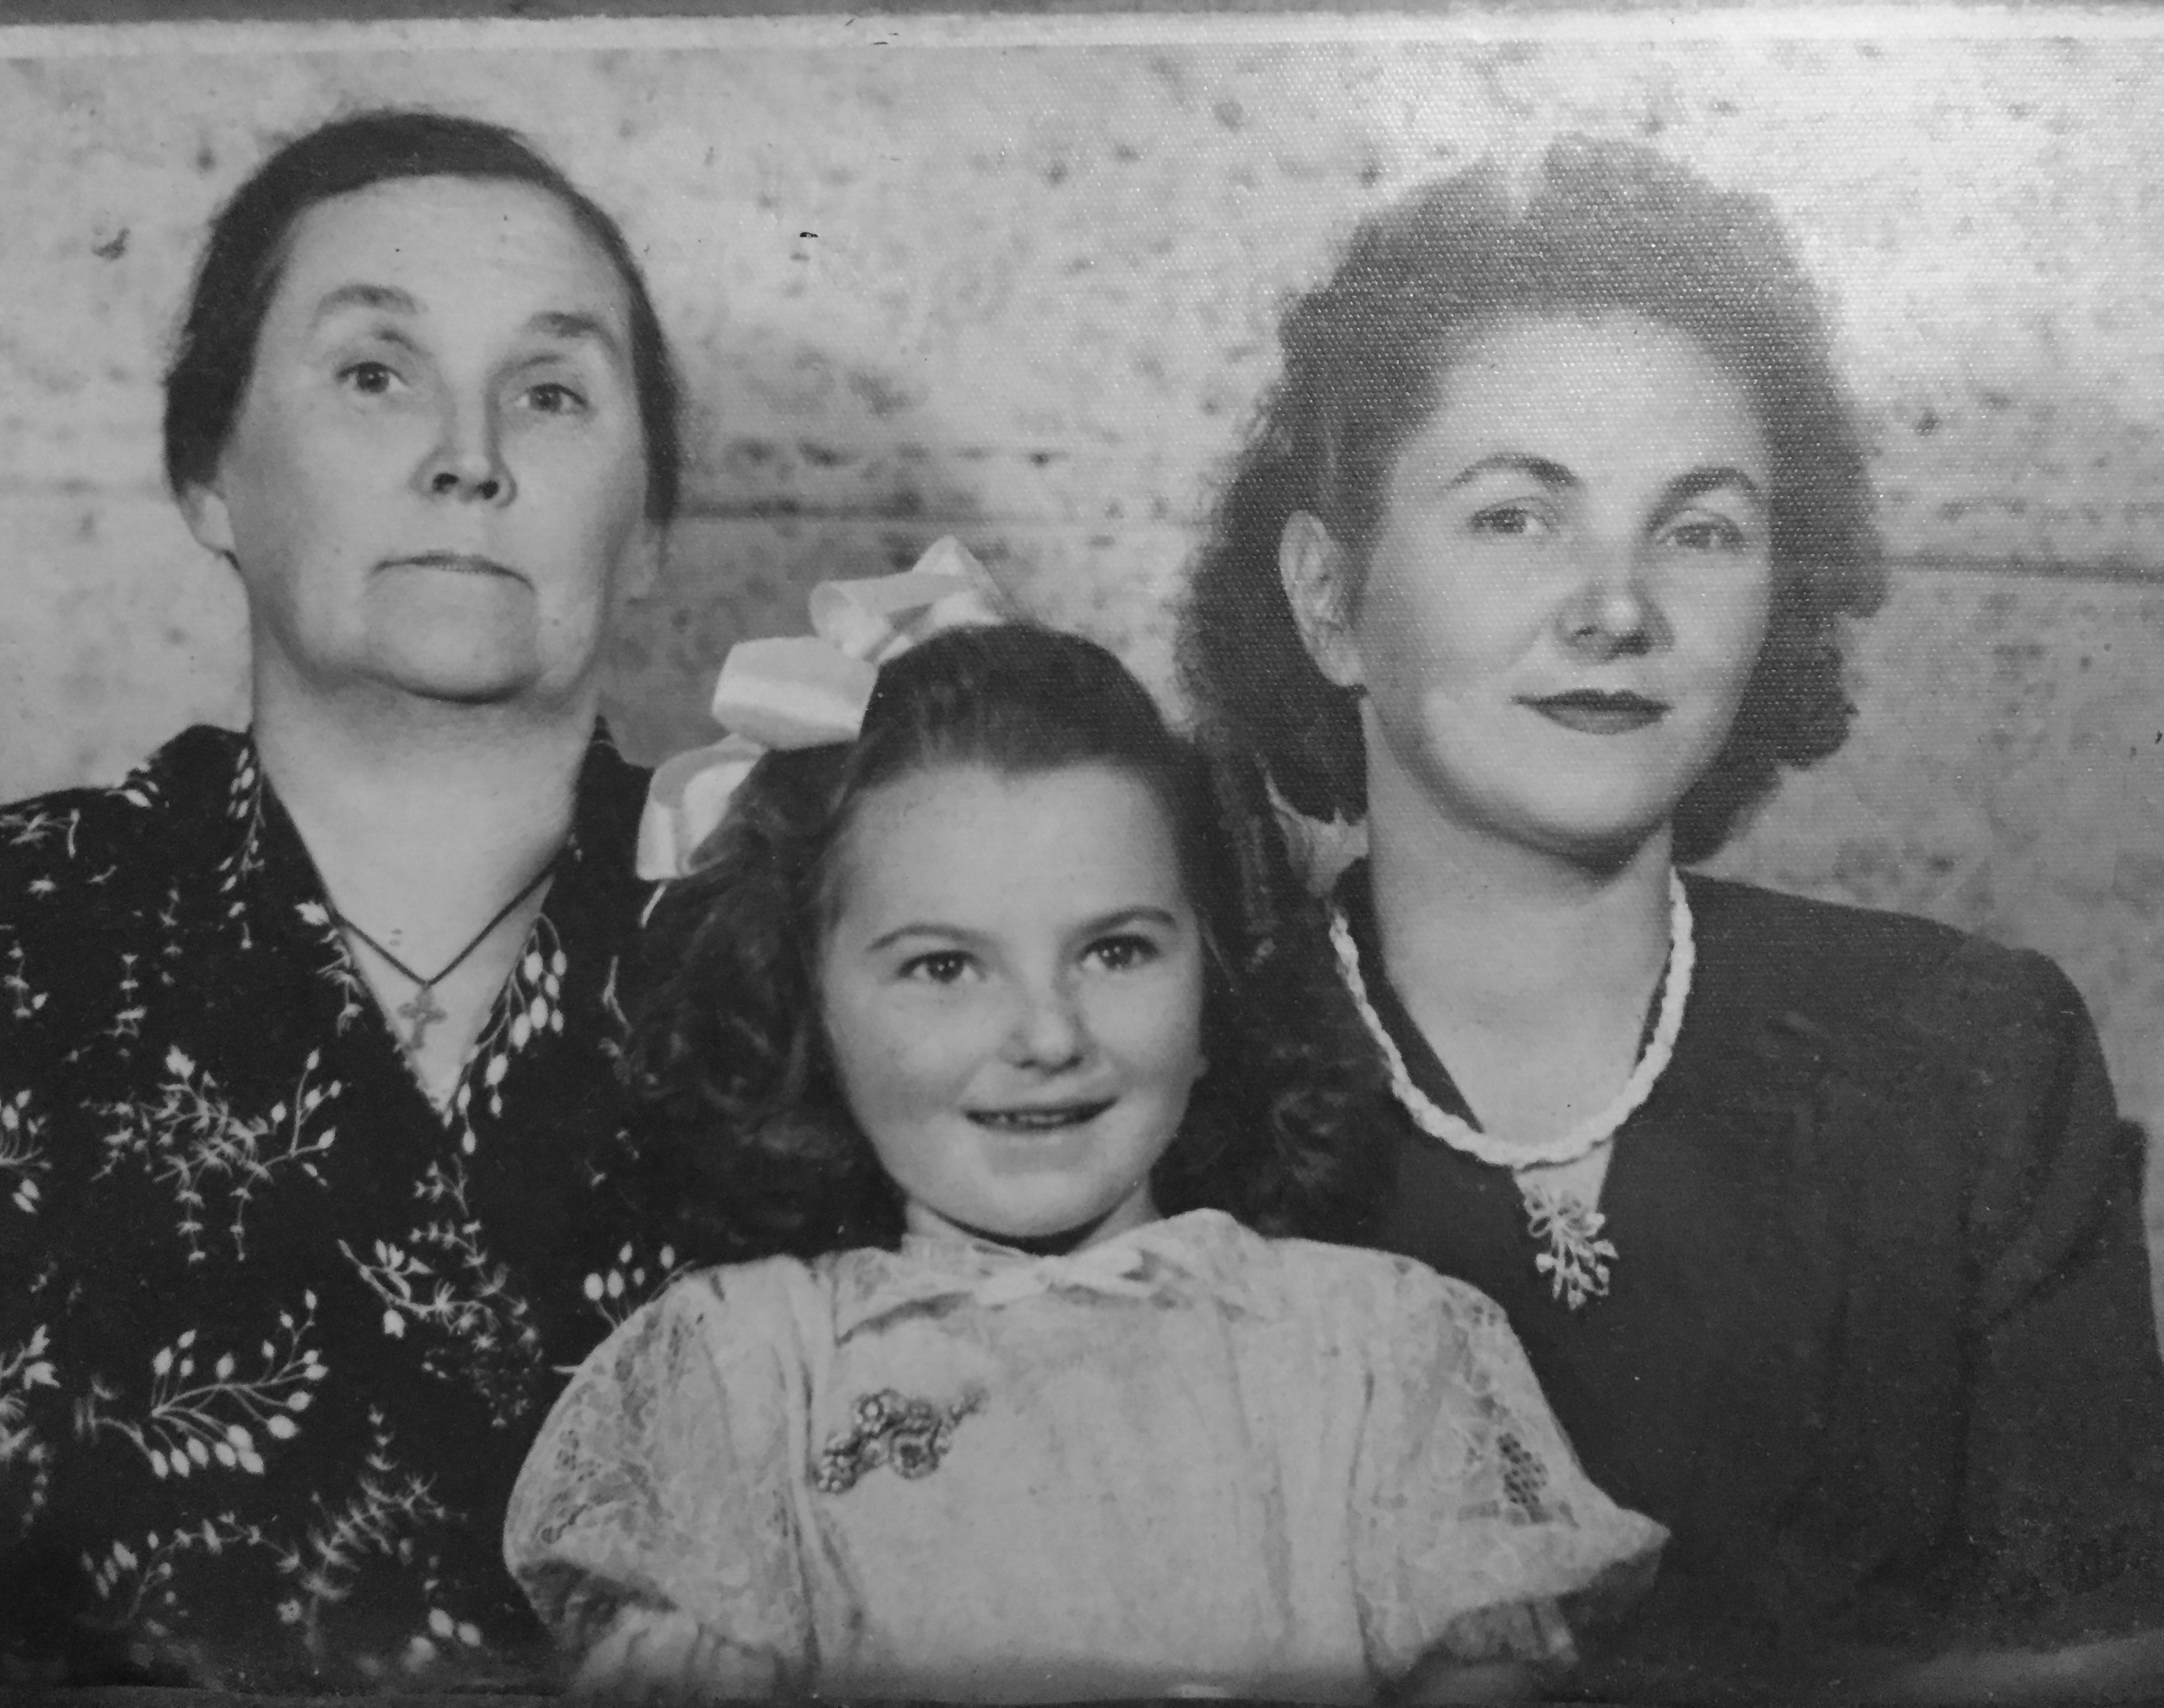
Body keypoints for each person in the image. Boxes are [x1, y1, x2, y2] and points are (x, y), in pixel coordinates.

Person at [1179, 136, 2164, 1698]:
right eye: (1517, 517)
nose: (1617, 607)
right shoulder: (1166, 1081)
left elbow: (2097, 1661)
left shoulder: (1975, 1060)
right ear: (1325, 597)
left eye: (1699, 528)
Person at [502, 593, 1665, 1704]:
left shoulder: (1383, 1356)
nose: (1048, 1037)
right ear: (809, 1006)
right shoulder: (741, 1378)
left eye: (1114, 952)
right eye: (945, 968)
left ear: (1216, 971)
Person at [0, 110, 699, 1690]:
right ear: (210, 478)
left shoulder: (821, 948)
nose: (470, 456)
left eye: (551, 391)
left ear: (652, 524)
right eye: (375, 374)